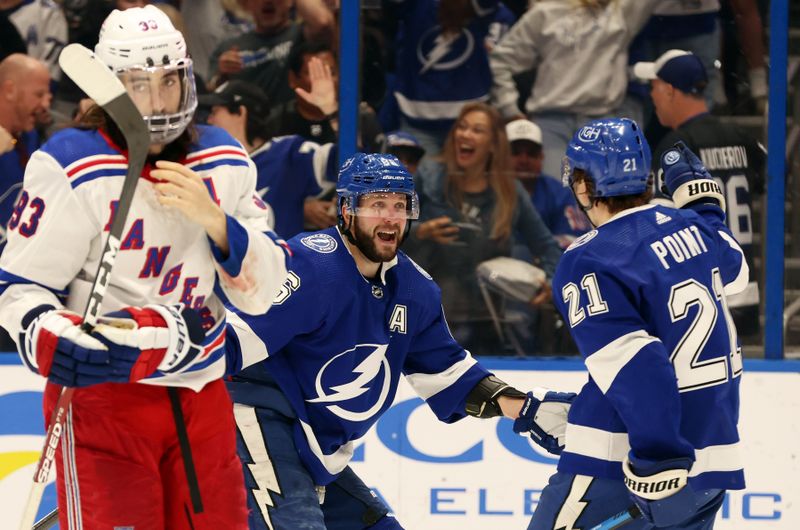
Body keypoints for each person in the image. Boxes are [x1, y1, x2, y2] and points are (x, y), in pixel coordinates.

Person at [0, 6, 290, 529]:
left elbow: (267, 291)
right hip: (104, 404)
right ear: (110, 90)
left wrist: (219, 223)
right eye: (138, 86)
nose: (157, 103)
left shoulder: (223, 160)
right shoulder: (70, 164)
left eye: (168, 83)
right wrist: (53, 337)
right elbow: (19, 289)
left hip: (202, 399)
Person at [221, 152, 574, 529]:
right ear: (346, 209)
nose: (390, 216)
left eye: (399, 205)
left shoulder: (414, 289)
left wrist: (525, 409)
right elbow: (232, 345)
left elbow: (449, 375)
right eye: (377, 205)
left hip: (317, 451)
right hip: (260, 422)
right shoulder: (309, 265)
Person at [528, 118, 746, 529]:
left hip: (628, 468)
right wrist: (703, 205)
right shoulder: (694, 227)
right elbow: (737, 271)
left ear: (582, 185)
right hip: (712, 463)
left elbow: (637, 367)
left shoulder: (590, 257)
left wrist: (657, 454)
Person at [409, 102, 562, 353]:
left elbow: (547, 247)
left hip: (488, 322)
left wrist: (550, 281)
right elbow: (389, 231)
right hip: (427, 317)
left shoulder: (510, 191)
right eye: (463, 127)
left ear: (493, 144)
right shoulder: (428, 175)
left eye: (477, 130)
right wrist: (420, 232)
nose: (465, 134)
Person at [634, 49, 765, 339]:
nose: (651, 95)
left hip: (700, 295)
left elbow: (659, 225)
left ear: (669, 90)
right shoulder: (742, 138)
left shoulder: (675, 146)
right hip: (747, 290)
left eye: (654, 86)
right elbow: (775, 177)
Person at [489, 0, 659, 179]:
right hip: (551, 124)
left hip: (602, 122)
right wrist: (510, 110)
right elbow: (499, 62)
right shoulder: (545, 13)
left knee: (608, 202)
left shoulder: (622, 12)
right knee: (554, 200)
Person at [200, 78, 338, 238]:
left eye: (215, 112)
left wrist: (333, 112)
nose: (209, 120)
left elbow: (350, 164)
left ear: (240, 112)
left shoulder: (289, 153)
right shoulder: (207, 165)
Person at [265, 40, 385, 153]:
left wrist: (332, 112)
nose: (325, 81)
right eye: (314, 73)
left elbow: (372, 166)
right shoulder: (275, 122)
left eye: (331, 72)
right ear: (292, 79)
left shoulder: (361, 117)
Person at [207, 0, 334, 105]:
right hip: (248, 127)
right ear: (246, 4)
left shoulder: (303, 35)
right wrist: (222, 73)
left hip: (295, 124)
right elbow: (210, 91)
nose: (268, 1)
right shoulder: (228, 47)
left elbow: (323, 21)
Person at [506, 118, 590, 249]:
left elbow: (575, 245)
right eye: (515, 152)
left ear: (541, 157)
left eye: (531, 154)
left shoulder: (560, 195)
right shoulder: (487, 190)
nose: (524, 160)